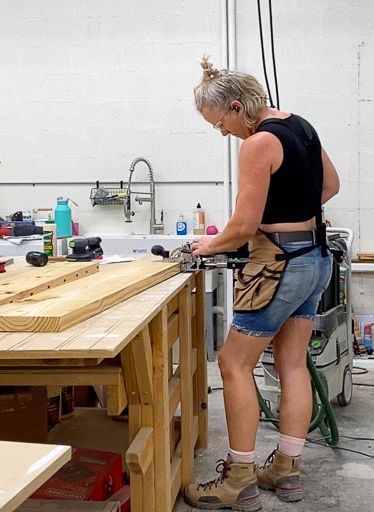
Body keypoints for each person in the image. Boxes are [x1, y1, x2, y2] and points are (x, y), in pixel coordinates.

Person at [183, 56, 340, 511]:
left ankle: (238, 479)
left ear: (235, 106)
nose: (224, 132)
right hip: (314, 258)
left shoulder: (257, 143)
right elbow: (329, 185)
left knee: (233, 363)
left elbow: (242, 225)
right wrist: (291, 210)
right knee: (292, 364)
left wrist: (207, 246)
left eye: (220, 124)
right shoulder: (301, 126)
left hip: (276, 266)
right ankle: (286, 470)